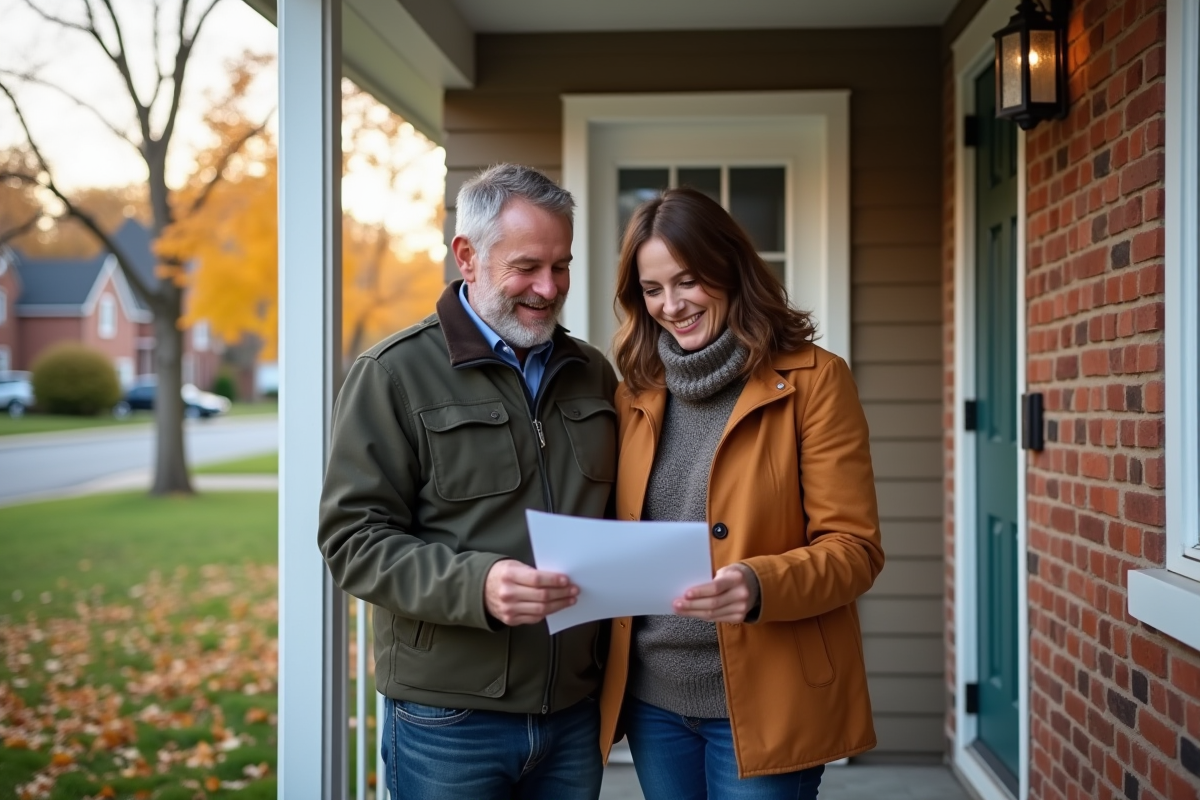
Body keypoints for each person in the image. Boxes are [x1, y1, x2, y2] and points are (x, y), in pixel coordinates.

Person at [318, 164, 618, 800]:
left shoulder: (593, 373)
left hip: (572, 713)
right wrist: (476, 585)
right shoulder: (393, 373)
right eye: (527, 267)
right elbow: (352, 540)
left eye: (561, 266)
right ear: (467, 256)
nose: (548, 287)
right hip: (448, 721)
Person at [598, 187, 885, 800]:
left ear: (729, 269)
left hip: (766, 698)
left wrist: (759, 584)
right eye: (652, 289)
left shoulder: (815, 381)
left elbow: (855, 549)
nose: (672, 305)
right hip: (653, 702)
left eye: (688, 281)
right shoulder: (633, 393)